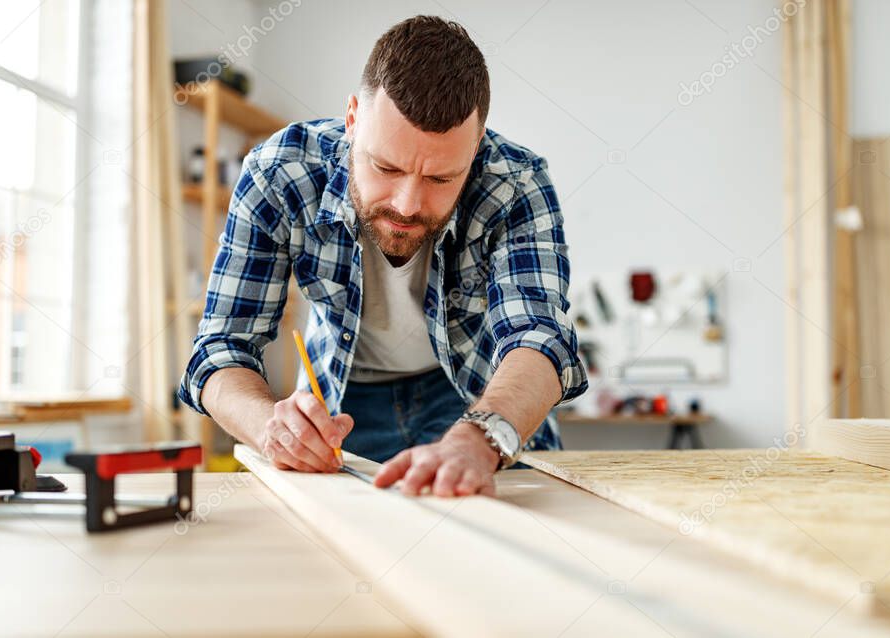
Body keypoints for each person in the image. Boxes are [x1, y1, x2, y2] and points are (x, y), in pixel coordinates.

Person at [179, 15, 586, 497]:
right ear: (352, 119)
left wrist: (478, 440)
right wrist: (271, 426)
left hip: (476, 402)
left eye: (440, 179)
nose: (407, 204)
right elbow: (221, 348)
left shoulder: (516, 183)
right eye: (385, 166)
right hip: (343, 408)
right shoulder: (278, 173)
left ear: (476, 147)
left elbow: (538, 339)